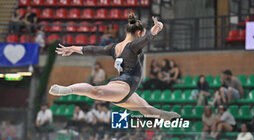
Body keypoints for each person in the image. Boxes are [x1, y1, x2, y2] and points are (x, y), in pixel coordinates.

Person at [49, 15, 179, 120]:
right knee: (96, 91)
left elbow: (93, 49)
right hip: (124, 86)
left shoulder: (114, 47)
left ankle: (166, 116)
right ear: (138, 32)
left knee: (147, 109)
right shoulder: (133, 46)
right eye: (142, 33)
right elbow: (144, 40)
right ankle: (66, 89)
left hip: (125, 91)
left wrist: (73, 48)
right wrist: (153, 32)